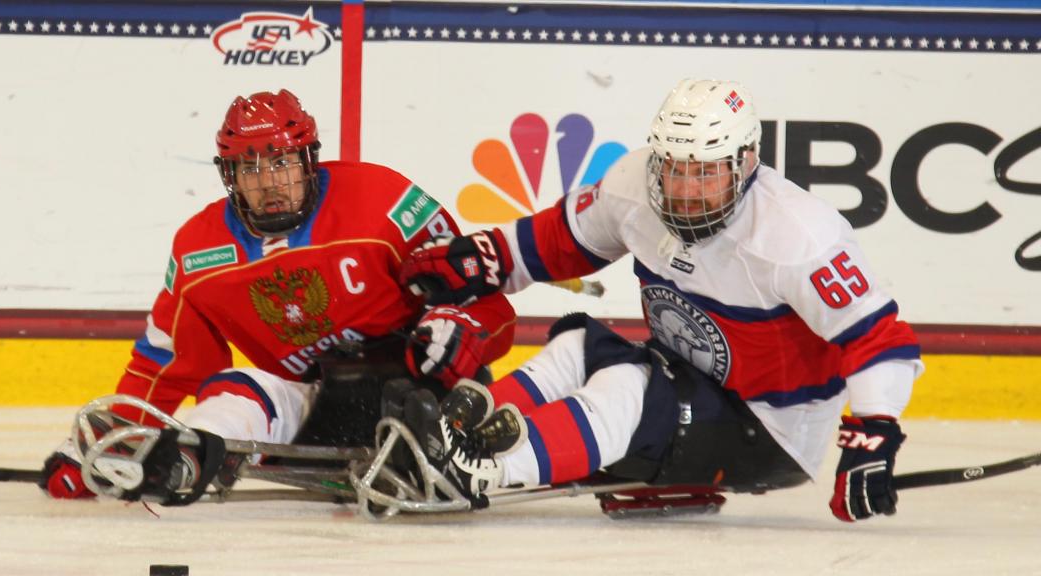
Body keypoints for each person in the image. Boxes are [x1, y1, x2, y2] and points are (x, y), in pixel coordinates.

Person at [394, 78, 923, 521]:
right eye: (675, 168)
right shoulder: (633, 184)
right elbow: (561, 240)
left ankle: (479, 470)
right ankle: (455, 435)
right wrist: (486, 258)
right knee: (578, 345)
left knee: (625, 384)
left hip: (770, 428)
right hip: (691, 381)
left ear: (747, 163)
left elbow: (879, 337)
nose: (687, 191)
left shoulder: (798, 236)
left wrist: (873, 434)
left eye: (706, 172)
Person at [43, 89, 516, 498]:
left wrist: (461, 332)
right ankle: (189, 457)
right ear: (229, 175)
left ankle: (470, 446)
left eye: (281, 162)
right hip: (315, 405)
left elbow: (485, 302)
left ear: (308, 160)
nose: (269, 182)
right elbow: (162, 364)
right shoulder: (198, 251)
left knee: (421, 394)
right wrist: (108, 446)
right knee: (229, 392)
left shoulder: (383, 200)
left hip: (420, 389)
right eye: (250, 168)